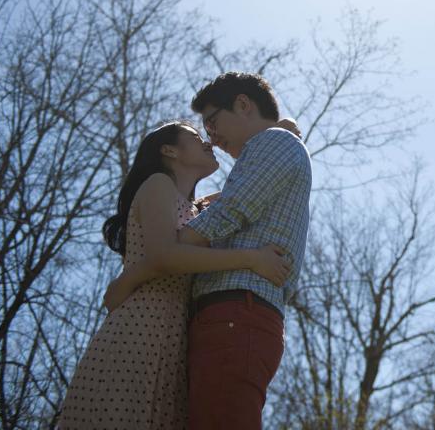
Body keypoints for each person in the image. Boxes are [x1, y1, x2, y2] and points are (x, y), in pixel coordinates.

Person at [105, 72, 312, 430]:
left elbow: (230, 211)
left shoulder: (273, 143)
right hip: (229, 316)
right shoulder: (271, 145)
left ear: (243, 104)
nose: (212, 140)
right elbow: (223, 205)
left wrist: (167, 252)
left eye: (212, 123)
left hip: (237, 312)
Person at [58, 120, 291, 430]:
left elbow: (247, 186)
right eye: (195, 137)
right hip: (140, 328)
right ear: (168, 150)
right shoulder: (157, 184)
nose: (206, 142)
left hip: (175, 342)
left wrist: (271, 130)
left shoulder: (196, 210)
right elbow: (164, 256)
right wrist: (251, 259)